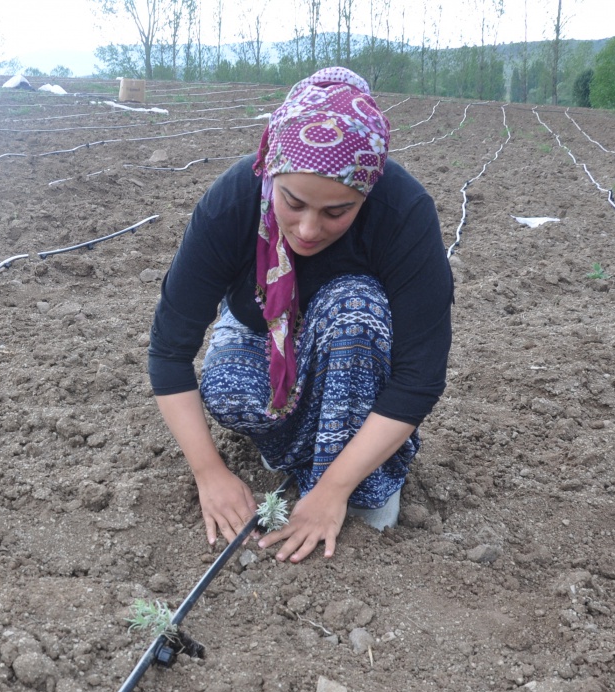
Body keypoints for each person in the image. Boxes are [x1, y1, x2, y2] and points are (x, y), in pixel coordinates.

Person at [147, 67, 452, 563]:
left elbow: (420, 377)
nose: (308, 230)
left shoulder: (403, 212)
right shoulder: (233, 202)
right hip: (260, 331)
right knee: (226, 389)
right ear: (271, 169)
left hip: (352, 347)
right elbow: (169, 351)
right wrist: (210, 473)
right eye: (293, 203)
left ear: (366, 193)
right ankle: (289, 447)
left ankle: (363, 486)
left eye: (337, 211)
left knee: (354, 311)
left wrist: (334, 489)